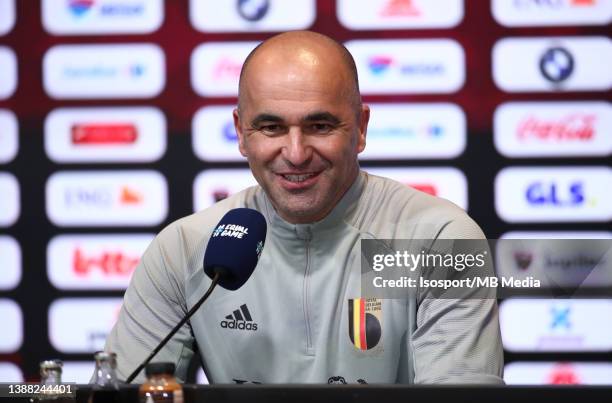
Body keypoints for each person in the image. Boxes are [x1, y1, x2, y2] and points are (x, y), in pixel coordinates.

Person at [104, 31, 503, 384]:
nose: (295, 154)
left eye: (320, 126)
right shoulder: (183, 248)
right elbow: (119, 393)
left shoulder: (439, 238)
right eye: (271, 127)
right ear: (242, 132)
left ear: (361, 128)